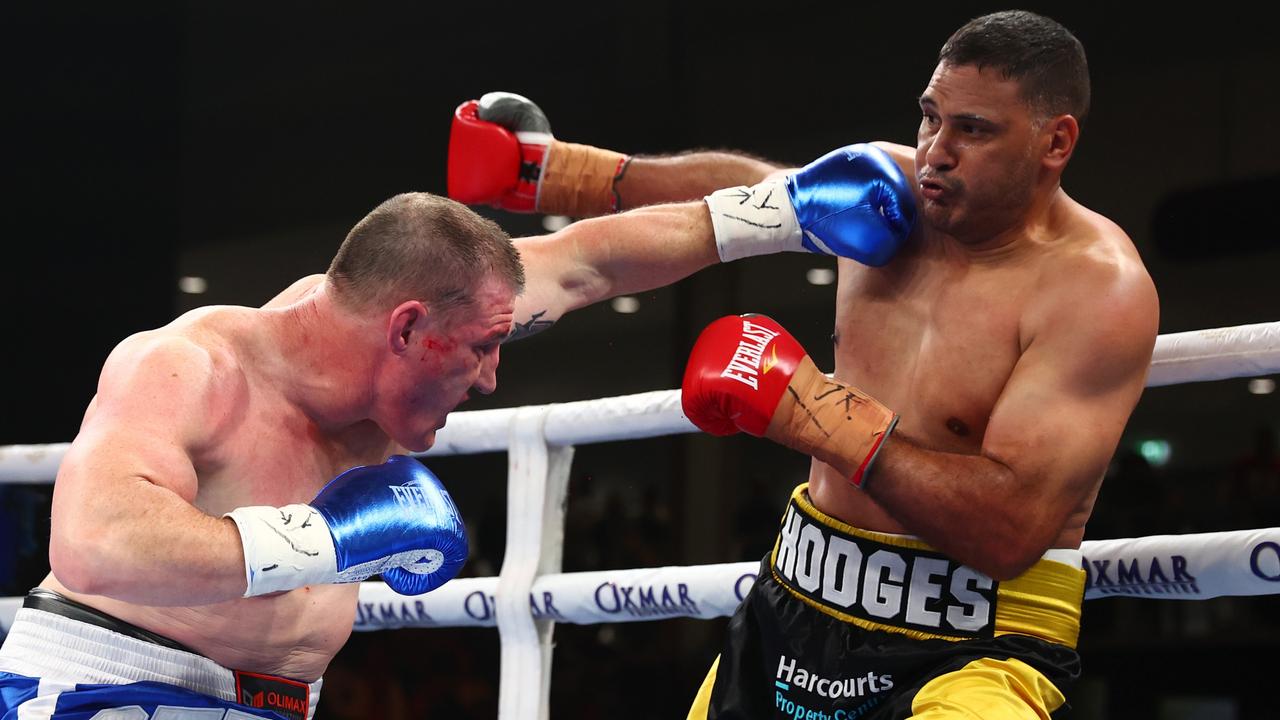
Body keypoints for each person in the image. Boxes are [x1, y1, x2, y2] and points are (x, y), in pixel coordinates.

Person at [448, 10, 1159, 718]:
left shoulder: (1095, 291)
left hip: (974, 646)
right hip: (796, 604)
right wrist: (561, 174)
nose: (936, 151)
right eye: (930, 118)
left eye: (973, 130)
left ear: (1055, 141)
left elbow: (1009, 532)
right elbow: (749, 196)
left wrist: (815, 415)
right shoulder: (891, 194)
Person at [0, 193, 523, 719]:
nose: (490, 378)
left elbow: (578, 269)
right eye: (483, 347)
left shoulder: (456, 310)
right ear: (406, 327)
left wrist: (579, 175)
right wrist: (323, 540)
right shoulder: (190, 365)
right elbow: (93, 543)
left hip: (280, 704)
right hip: (103, 686)